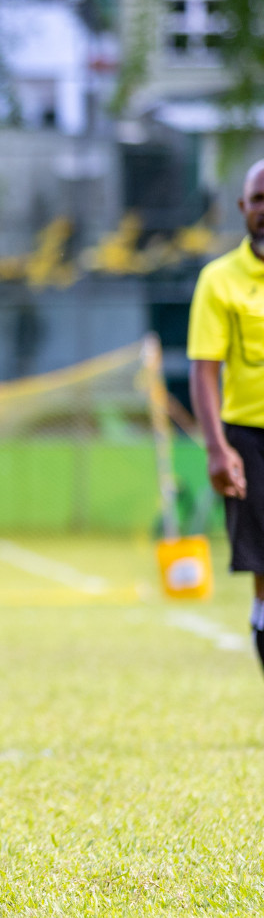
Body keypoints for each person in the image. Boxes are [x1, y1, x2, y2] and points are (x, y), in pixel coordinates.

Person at [189, 158, 264, 670]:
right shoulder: (220, 280)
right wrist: (218, 449)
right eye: (259, 199)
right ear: (243, 207)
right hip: (251, 442)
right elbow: (204, 371)